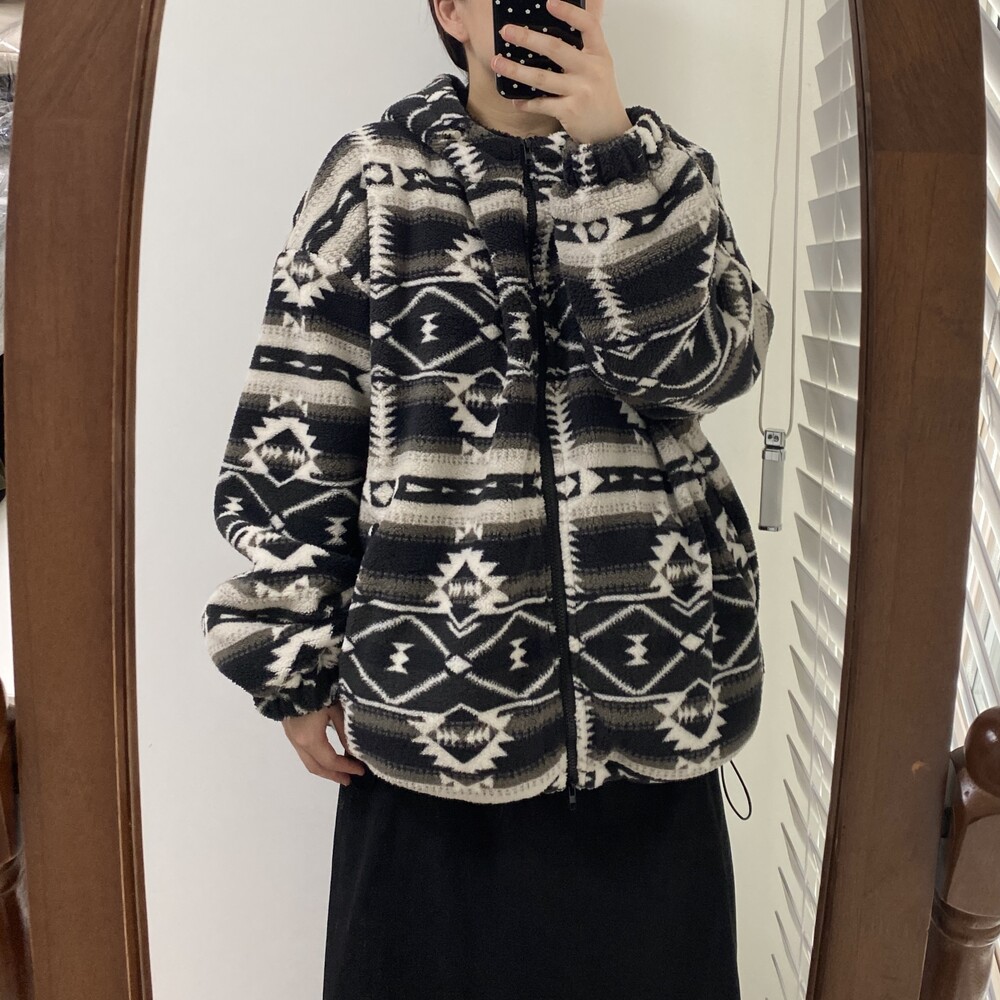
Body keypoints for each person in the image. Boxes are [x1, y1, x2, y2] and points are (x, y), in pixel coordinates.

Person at [200, 0, 774, 996]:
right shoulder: (372, 179)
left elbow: (704, 372)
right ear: (452, 11)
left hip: (655, 717)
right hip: (432, 724)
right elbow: (299, 417)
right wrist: (288, 656)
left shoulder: (667, 172)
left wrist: (609, 166)